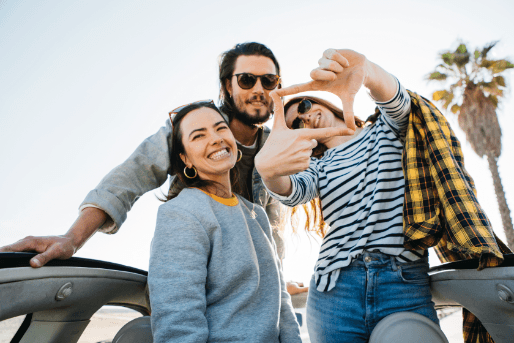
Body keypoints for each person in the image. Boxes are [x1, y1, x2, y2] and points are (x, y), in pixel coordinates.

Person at [0, 42, 310, 294]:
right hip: (192, 281)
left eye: (269, 81)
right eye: (246, 79)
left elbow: (271, 231)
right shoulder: (192, 127)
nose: (259, 88)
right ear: (227, 86)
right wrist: (73, 238)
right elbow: (132, 175)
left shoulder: (277, 147)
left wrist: (277, 283)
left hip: (253, 296)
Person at [254, 49, 439, 342]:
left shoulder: (385, 130)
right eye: (295, 125)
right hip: (334, 288)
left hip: (402, 280)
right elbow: (292, 191)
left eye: (303, 106)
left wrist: (369, 72)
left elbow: (402, 106)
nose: (305, 117)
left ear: (318, 100)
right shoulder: (317, 166)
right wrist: (269, 173)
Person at [148, 100, 301, 343]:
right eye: (198, 136)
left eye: (220, 128)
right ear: (185, 158)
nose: (216, 138)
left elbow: (280, 300)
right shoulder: (181, 213)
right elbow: (177, 320)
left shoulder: (257, 214)